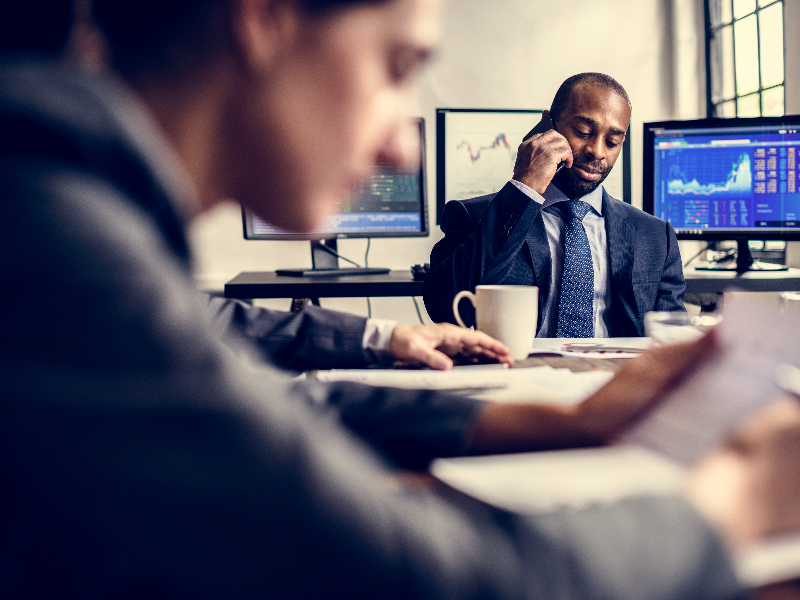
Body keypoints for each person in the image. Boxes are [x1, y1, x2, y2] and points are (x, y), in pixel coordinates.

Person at [1, 0, 799, 597]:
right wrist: (725, 506)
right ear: (268, 20)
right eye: (398, 67)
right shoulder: (47, 242)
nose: (405, 145)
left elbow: (243, 384)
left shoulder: (67, 206)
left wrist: (559, 419)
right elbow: (456, 582)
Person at [423, 73, 686, 337]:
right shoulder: (473, 216)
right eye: (583, 132)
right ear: (548, 123)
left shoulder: (654, 236)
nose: (597, 151)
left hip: (615, 375)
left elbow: (671, 343)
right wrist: (525, 187)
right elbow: (443, 309)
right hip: (520, 374)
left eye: (612, 142)